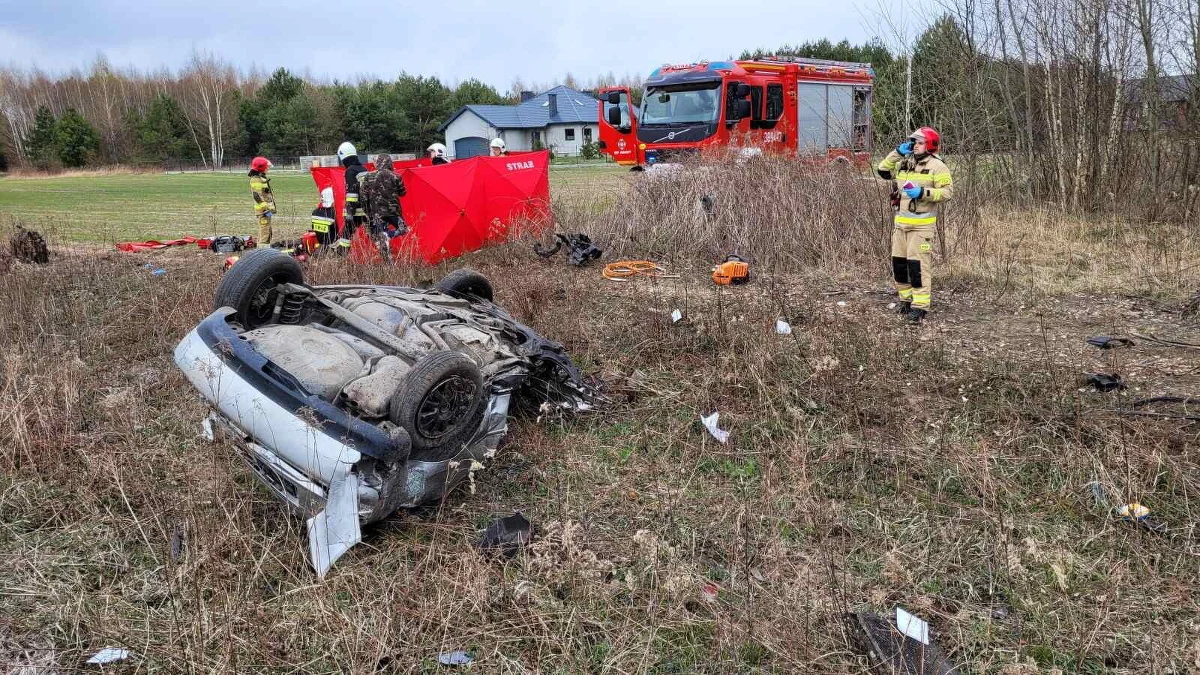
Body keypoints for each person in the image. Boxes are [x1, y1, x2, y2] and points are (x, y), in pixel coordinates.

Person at [876, 127, 954, 325]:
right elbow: (882, 170)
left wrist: (923, 193)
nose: (915, 146)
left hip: (921, 227)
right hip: (901, 225)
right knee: (899, 265)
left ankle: (920, 307)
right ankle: (906, 301)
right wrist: (897, 152)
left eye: (919, 142)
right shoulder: (905, 163)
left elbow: (947, 193)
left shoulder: (938, 166)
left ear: (929, 144)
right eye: (913, 142)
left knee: (918, 267)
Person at [362, 153, 408, 261]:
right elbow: (403, 193)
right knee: (404, 229)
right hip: (393, 212)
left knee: (379, 236)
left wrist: (367, 211)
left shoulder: (369, 176)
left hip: (376, 213)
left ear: (378, 163)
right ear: (389, 162)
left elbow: (363, 196)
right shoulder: (396, 176)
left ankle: (387, 258)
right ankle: (389, 235)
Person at [337, 141, 367, 247]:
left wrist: (350, 213)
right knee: (376, 234)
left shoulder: (350, 171)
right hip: (367, 210)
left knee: (346, 234)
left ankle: (341, 255)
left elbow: (352, 193)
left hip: (356, 211)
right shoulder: (363, 169)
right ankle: (387, 256)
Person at [248, 156, 275, 244]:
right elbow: (257, 196)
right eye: (267, 167)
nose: (268, 169)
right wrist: (265, 209)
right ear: (261, 168)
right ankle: (263, 252)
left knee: (266, 231)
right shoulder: (256, 179)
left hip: (266, 210)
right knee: (265, 233)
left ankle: (263, 251)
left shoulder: (261, 178)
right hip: (263, 211)